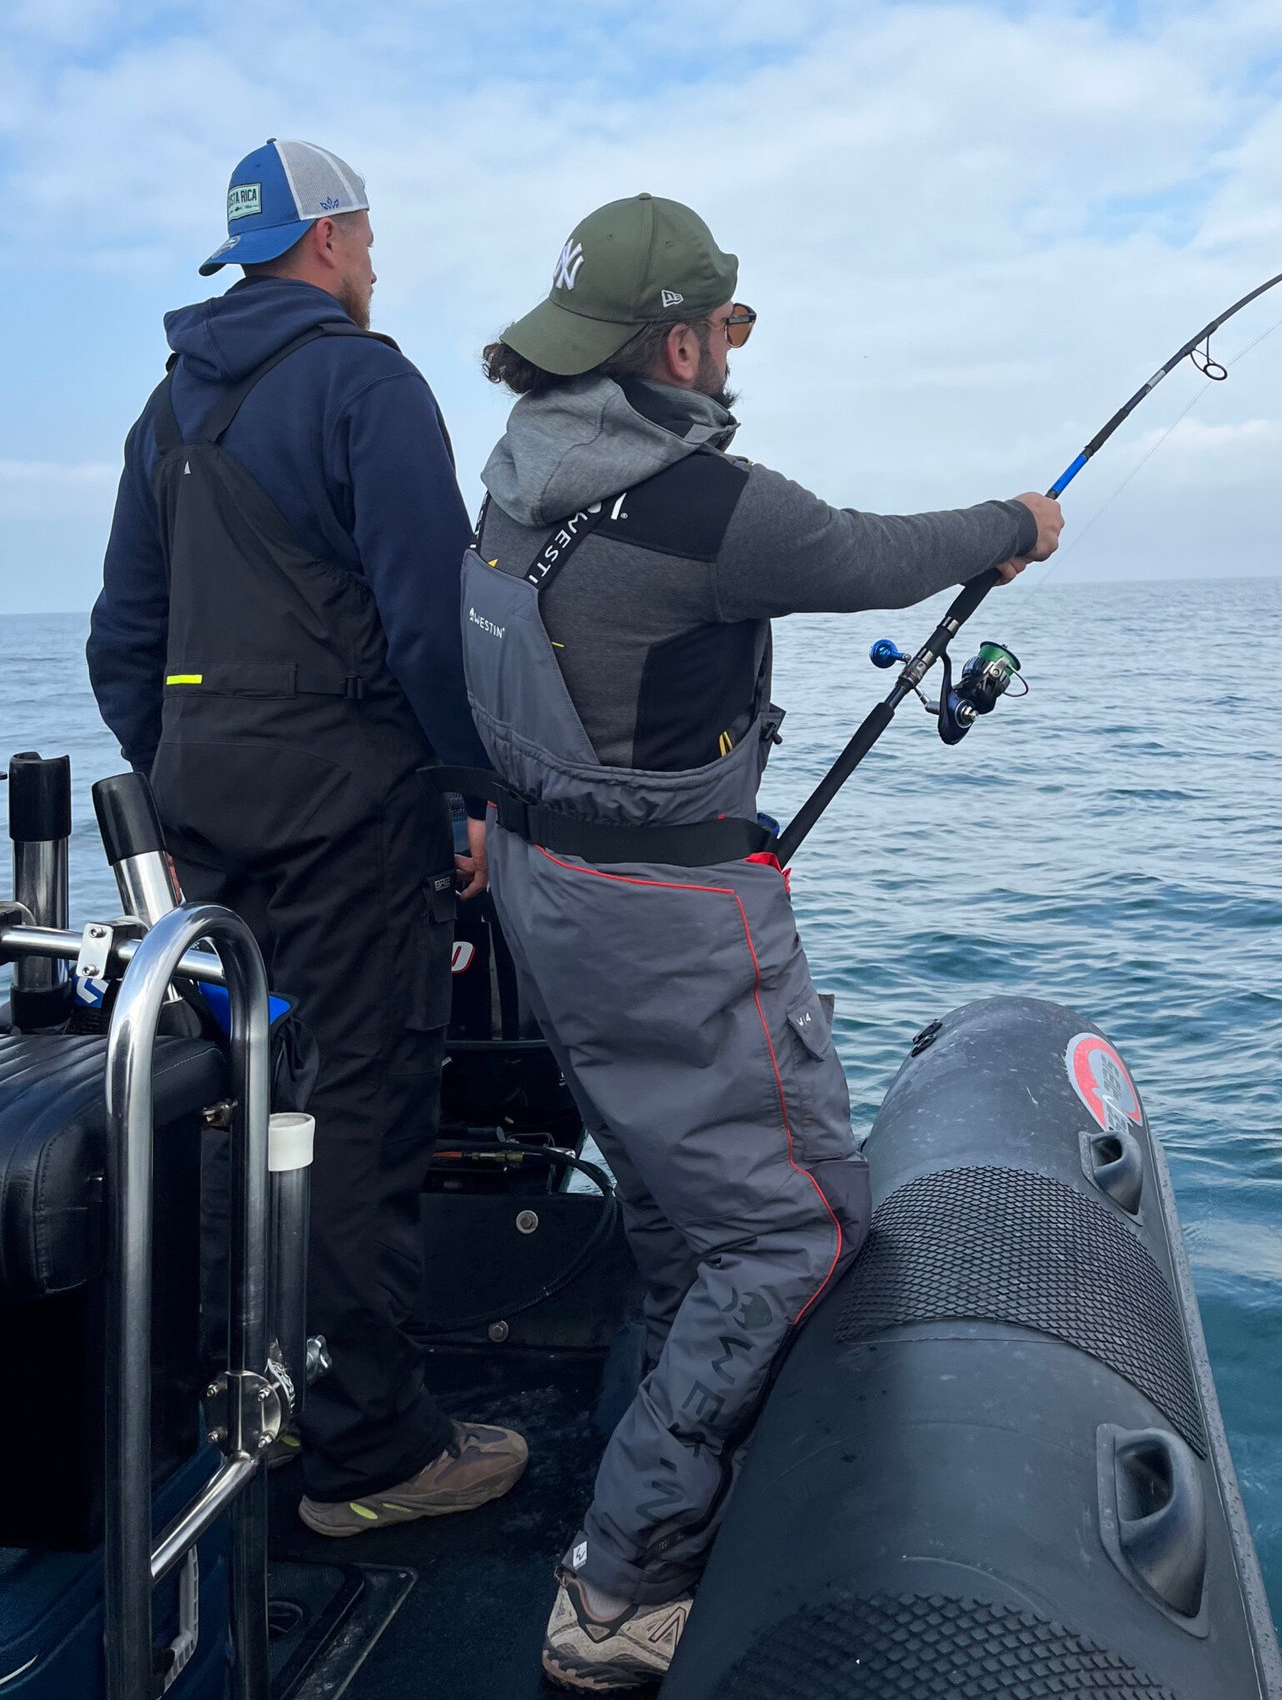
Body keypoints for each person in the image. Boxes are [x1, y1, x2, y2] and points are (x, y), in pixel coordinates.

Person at [459, 192, 1062, 1689]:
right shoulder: (706, 509)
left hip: (545, 889)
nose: (733, 354)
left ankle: (657, 1455)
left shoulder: (515, 483)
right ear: (676, 340)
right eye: (725, 328)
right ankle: (619, 1581)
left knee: (679, 1208)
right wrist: (1015, 528)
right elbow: (872, 550)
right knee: (793, 1227)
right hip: (667, 921)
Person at [88, 138, 528, 1538]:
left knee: (232, 1111)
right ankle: (368, 1453)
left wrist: (182, 772)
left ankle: (244, 1407)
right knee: (358, 1111)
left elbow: (123, 647)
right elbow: (431, 621)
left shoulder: (166, 415)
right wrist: (468, 790)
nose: (378, 263)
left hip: (205, 821)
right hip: (351, 817)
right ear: (330, 239)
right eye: (371, 238)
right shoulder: (367, 382)